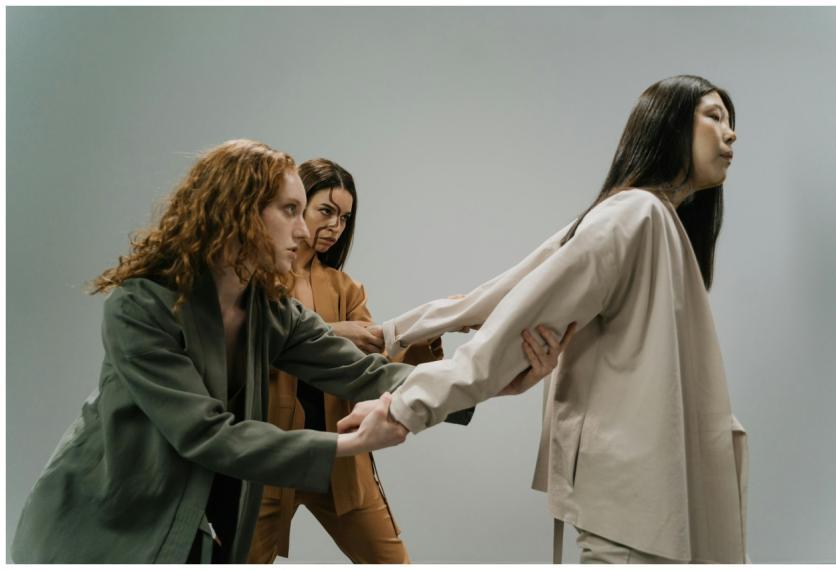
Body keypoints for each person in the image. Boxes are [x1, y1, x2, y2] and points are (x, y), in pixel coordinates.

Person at [10, 140, 561, 564]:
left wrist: (487, 383)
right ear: (238, 212)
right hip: (100, 528)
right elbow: (206, 434)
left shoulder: (269, 310)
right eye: (291, 210)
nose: (307, 231)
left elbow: (364, 373)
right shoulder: (139, 307)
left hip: (199, 528)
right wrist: (348, 443)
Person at [341, 75, 749, 563]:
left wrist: (397, 334)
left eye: (731, 121)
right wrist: (405, 405)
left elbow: (507, 291)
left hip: (652, 486)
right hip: (636, 496)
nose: (731, 134)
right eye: (714, 116)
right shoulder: (634, 216)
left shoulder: (647, 219)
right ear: (669, 124)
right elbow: (516, 315)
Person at [247, 158, 565, 563]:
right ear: (295, 206)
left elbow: (375, 364)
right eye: (325, 210)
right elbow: (253, 346)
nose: (335, 226)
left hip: (341, 459)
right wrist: (344, 332)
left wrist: (430, 329)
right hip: (272, 460)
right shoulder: (258, 278)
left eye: (344, 217)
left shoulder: (345, 286)